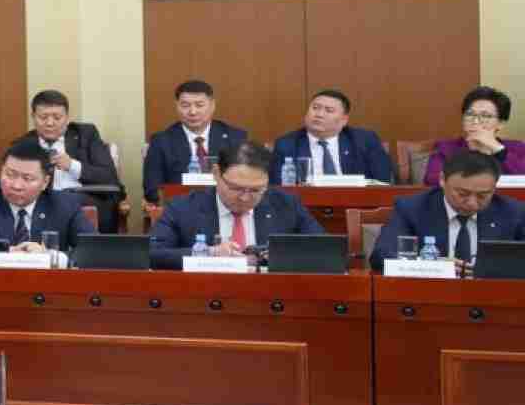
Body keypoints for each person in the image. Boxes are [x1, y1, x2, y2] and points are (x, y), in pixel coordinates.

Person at [147, 142, 322, 269]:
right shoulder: (183, 208)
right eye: (236, 188)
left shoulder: (287, 205)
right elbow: (152, 253)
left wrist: (282, 256)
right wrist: (209, 253)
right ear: (216, 174)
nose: (245, 198)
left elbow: (325, 250)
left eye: (256, 190)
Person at [370, 149, 525, 270]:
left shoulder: (513, 212)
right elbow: (382, 255)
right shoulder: (412, 208)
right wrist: (433, 265)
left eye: (482, 195)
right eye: (463, 194)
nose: (472, 203)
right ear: (442, 180)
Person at [0, 144, 86, 261]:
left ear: (45, 182)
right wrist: (4, 255)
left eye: (27, 178)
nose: (16, 186)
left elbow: (91, 251)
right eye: (10, 175)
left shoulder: (66, 205)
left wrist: (50, 256)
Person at [141, 80, 248, 204]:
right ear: (177, 106)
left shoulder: (235, 137)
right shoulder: (161, 141)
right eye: (185, 106)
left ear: (212, 105)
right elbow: (152, 189)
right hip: (179, 209)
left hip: (226, 207)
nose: (192, 112)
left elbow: (246, 182)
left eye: (199, 105)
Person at [268, 89, 394, 183]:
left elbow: (382, 181)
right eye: (315, 108)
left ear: (344, 120)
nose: (319, 114)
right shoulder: (287, 144)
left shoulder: (364, 141)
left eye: (329, 110)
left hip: (355, 203)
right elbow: (279, 187)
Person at [422, 85, 525, 184]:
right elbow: (432, 179)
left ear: (500, 124)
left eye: (485, 116)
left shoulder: (518, 148)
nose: (475, 121)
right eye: (470, 114)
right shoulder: (446, 148)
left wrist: (498, 149)